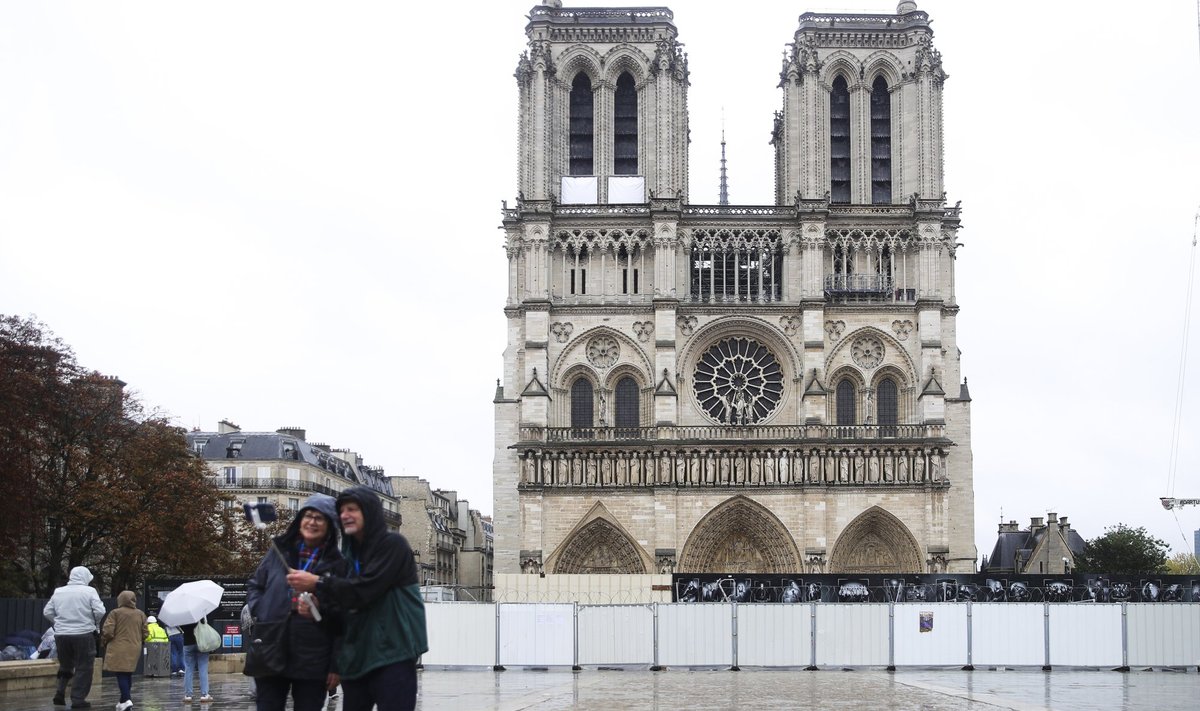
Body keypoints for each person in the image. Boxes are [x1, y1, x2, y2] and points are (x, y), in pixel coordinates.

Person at [288, 486, 427, 711]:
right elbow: (342, 618)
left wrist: (318, 583)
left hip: (394, 654)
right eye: (341, 511)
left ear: (369, 512)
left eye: (352, 509)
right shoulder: (347, 560)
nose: (344, 515)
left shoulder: (394, 546)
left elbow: (366, 590)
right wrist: (318, 611)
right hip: (356, 658)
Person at [247, 494, 344, 711]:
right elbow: (255, 585)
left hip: (314, 653)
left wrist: (336, 666)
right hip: (272, 644)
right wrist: (264, 610)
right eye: (308, 516)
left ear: (330, 526)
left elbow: (343, 619)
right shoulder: (279, 551)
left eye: (320, 518)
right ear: (299, 520)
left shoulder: (337, 564)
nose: (312, 522)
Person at [43, 565, 106, 709]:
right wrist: (94, 623)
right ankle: (78, 699)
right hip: (83, 634)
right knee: (84, 667)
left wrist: (59, 622)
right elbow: (100, 611)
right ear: (85, 577)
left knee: (65, 665)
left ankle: (59, 693)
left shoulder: (59, 591)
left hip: (61, 635)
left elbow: (47, 612)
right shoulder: (89, 591)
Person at [101, 590, 147, 711]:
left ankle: (127, 699)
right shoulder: (140, 614)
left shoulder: (115, 613)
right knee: (128, 673)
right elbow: (145, 632)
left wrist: (105, 641)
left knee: (120, 673)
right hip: (134, 646)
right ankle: (123, 701)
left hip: (118, 646)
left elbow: (108, 631)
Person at [179, 621, 212, 703]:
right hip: (201, 642)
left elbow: (182, 628)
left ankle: (188, 695)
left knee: (188, 669)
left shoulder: (183, 616)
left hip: (188, 643)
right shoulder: (200, 614)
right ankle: (204, 695)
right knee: (203, 668)